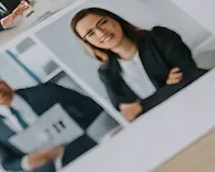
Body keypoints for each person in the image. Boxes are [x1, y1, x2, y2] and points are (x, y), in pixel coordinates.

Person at [0, 70, 103, 172]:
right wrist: (26, 162)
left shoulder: (45, 91)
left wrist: (75, 131)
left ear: (3, 81)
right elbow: (7, 162)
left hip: (83, 153)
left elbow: (92, 106)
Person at [70, 7, 204, 121]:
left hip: (197, 99)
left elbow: (188, 76)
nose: (101, 33)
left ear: (115, 19)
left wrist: (142, 106)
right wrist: (167, 88)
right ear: (88, 43)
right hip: (163, 121)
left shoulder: (159, 37)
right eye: (90, 33)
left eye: (103, 22)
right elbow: (128, 114)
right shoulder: (107, 72)